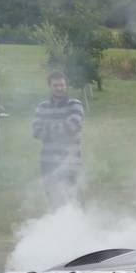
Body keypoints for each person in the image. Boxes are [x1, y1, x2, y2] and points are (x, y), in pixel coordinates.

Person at [32, 70, 85, 207]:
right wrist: (61, 128)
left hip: (71, 161)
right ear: (49, 87)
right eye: (56, 85)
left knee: (74, 200)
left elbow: (72, 126)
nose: (59, 88)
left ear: (66, 86)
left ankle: (80, 227)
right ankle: (58, 227)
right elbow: (36, 131)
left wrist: (48, 128)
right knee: (54, 200)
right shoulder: (41, 107)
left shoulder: (75, 104)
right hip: (48, 162)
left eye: (62, 85)